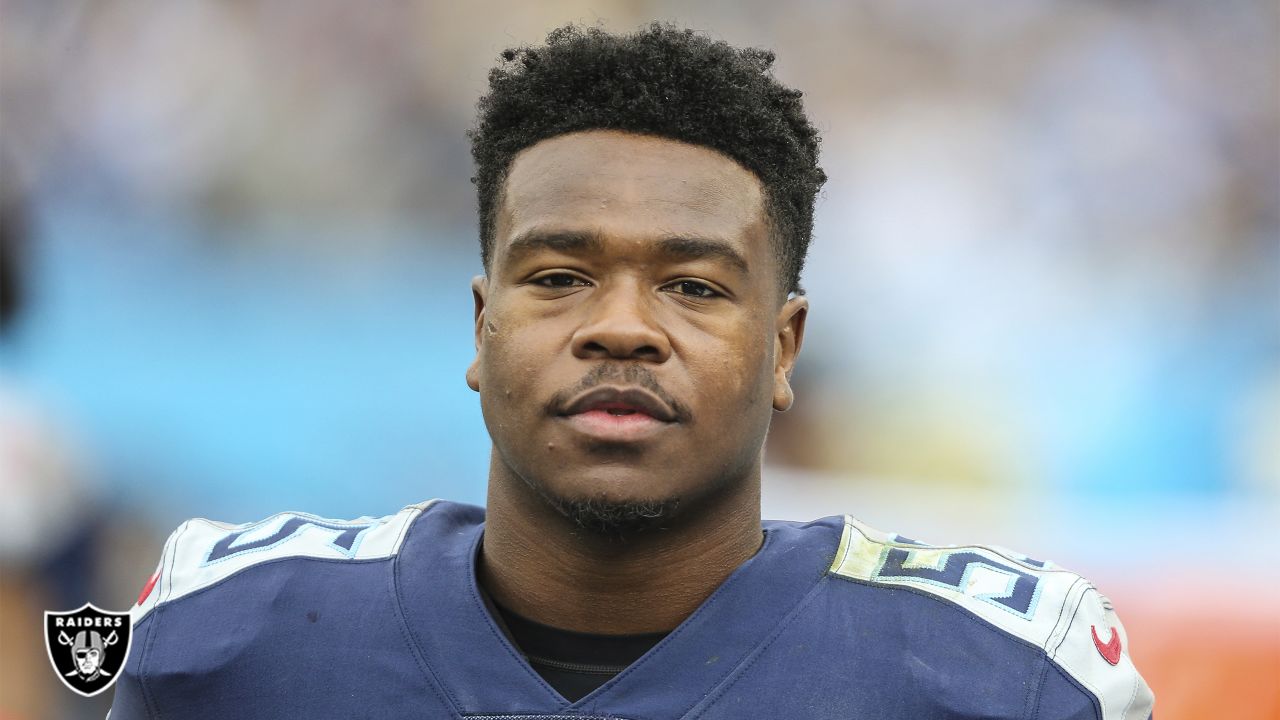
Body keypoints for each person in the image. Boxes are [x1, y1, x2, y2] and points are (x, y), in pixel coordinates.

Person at [109, 24, 1153, 719]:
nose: (620, 330)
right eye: (559, 276)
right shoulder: (229, 645)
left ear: (781, 349)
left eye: (692, 288)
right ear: (481, 329)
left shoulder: (995, 679)